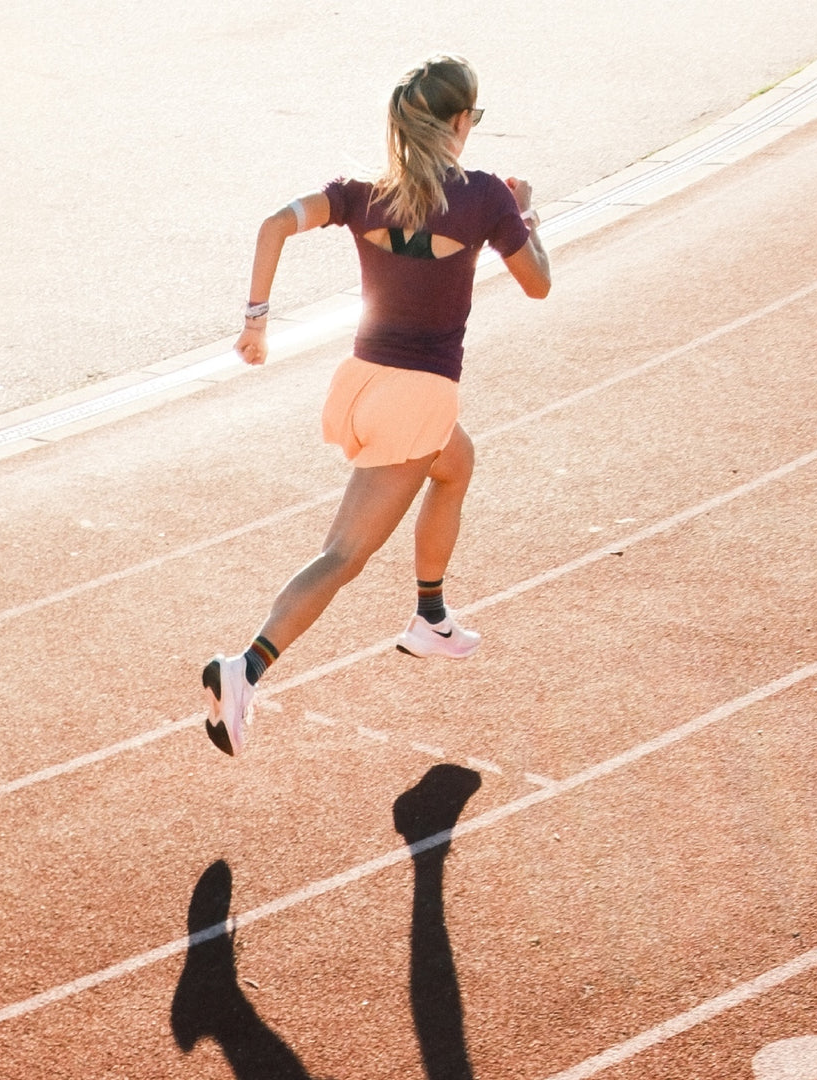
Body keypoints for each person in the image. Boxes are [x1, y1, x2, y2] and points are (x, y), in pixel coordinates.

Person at [203, 54, 551, 757]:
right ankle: (247, 667)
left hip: (363, 382)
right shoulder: (487, 198)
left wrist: (256, 322)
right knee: (344, 554)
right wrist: (527, 215)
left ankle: (431, 617)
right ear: (459, 122)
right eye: (474, 118)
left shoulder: (360, 194)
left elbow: (274, 223)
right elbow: (538, 283)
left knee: (456, 465)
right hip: (418, 394)